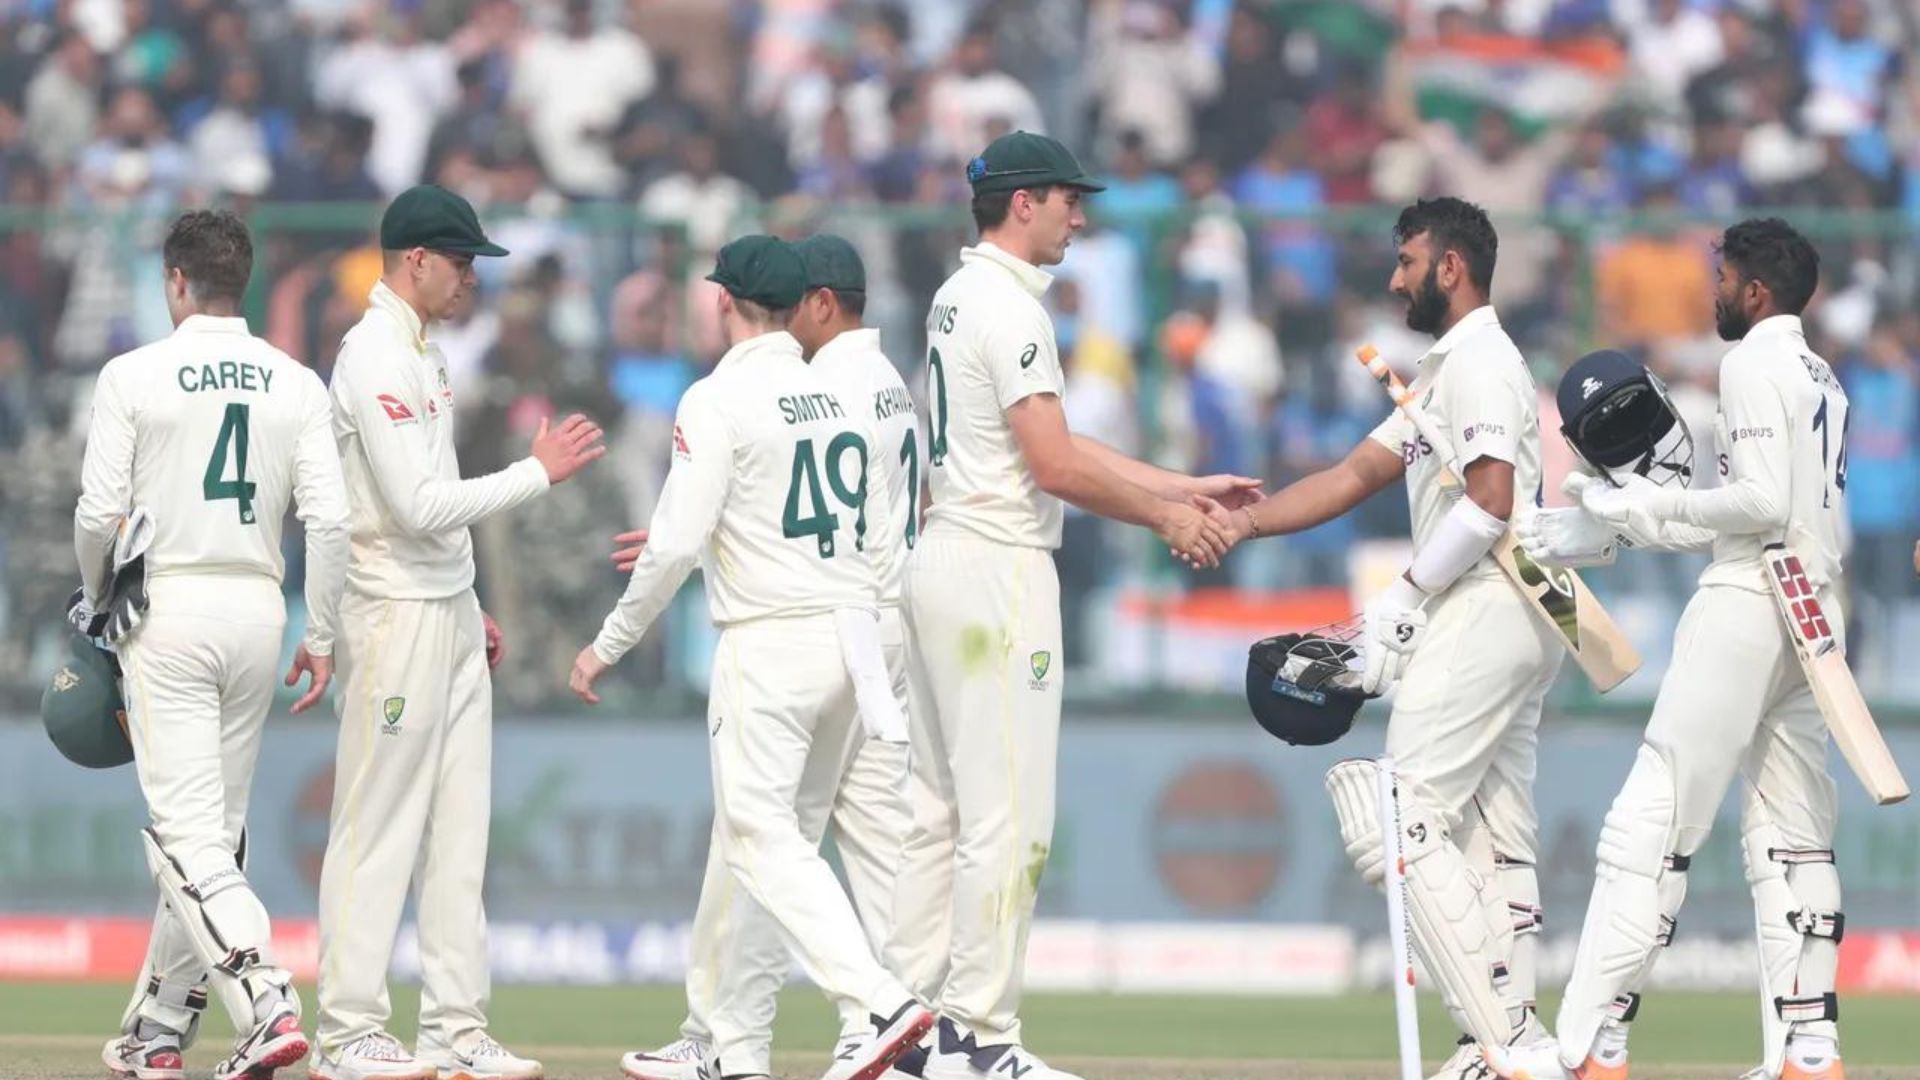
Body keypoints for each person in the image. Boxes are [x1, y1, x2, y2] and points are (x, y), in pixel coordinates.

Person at [890, 131, 1247, 1080]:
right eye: (1066, 200)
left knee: (938, 814)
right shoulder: (1010, 309)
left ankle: (904, 1029)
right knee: (1009, 821)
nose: (1079, 217)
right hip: (998, 571)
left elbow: (1055, 446)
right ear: (1023, 203)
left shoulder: (958, 295)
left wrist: (1179, 485)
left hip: (944, 562)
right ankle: (978, 1036)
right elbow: (1052, 466)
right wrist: (1169, 517)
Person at [570, 235, 934, 1080]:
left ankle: (876, 1001)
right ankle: (731, 1048)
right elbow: (879, 529)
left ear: (724, 302)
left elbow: (670, 550)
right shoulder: (832, 391)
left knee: (763, 840)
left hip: (769, 645)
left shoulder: (716, 397)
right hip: (849, 633)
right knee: (768, 846)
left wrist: (606, 645)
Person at [1495, 218, 1851, 1080]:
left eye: (1723, 278)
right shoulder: (1823, 376)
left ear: (1755, 291)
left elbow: (1757, 506)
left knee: (1649, 828)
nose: (1714, 292)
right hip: (1816, 610)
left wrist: (1645, 512)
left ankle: (1590, 1045)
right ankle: (1809, 1052)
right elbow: (1778, 515)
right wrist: (1599, 526)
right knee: (1794, 838)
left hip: (1750, 602)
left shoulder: (1751, 363)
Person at [1213, 197, 1562, 1075]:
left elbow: (1489, 502)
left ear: (1451, 266)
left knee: (1395, 819)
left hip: (1483, 600)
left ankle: (1512, 1046)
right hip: (1513, 613)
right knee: (1492, 840)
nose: (1395, 277)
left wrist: (1400, 601)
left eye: (1408, 261)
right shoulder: (1442, 371)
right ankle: (1496, 1046)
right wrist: (1235, 524)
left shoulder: (1481, 359)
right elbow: (1347, 477)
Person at [309, 184, 605, 1080]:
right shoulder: (373, 358)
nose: (472, 277)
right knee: (377, 821)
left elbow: (434, 512)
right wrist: (534, 474)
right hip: (391, 611)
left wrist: (468, 595)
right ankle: (349, 1028)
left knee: (459, 828)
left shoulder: (427, 356)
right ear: (415, 262)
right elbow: (415, 503)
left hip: (439, 606)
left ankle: (454, 1028)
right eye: (462, 261)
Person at [76, 208, 349, 1080]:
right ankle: (157, 1031)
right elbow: (332, 522)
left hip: (171, 607)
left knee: (180, 836)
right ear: (245, 281)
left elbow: (95, 515)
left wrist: (94, 601)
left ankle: (266, 998)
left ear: (175, 281)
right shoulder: (296, 382)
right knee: (214, 838)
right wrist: (323, 631)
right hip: (259, 609)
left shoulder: (133, 375)